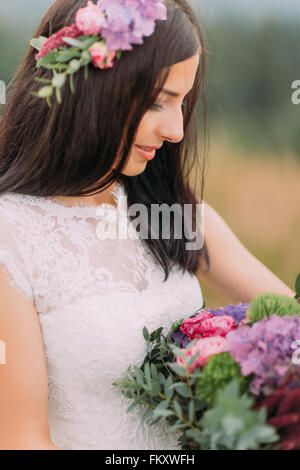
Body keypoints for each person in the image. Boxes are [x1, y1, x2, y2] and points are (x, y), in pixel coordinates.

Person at [0, 0, 294, 451]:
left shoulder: (172, 208)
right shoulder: (11, 235)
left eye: (183, 102)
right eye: (158, 100)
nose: (176, 129)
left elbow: (290, 322)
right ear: (88, 87)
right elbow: (20, 440)